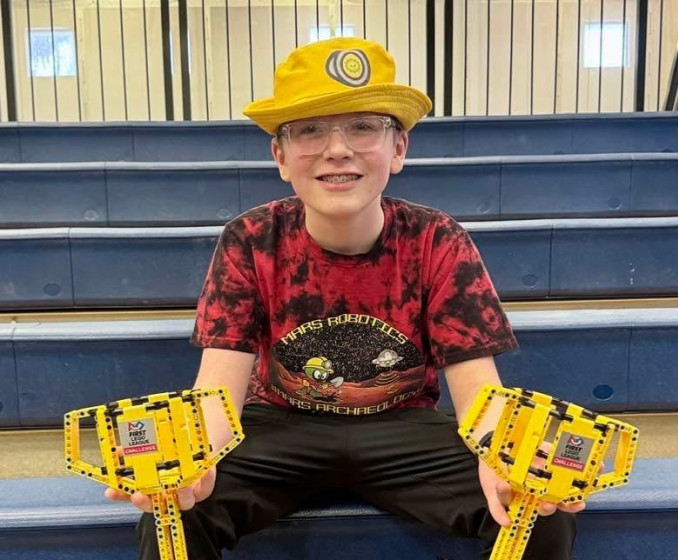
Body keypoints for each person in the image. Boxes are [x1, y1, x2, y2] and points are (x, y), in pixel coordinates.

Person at [107, 37, 581, 559]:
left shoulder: (437, 238)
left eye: (362, 126)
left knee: (535, 509)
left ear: (398, 149)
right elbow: (216, 394)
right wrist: (190, 461)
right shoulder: (250, 238)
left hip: (403, 430)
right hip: (280, 427)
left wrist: (503, 457)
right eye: (310, 129)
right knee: (175, 509)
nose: (337, 149)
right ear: (281, 156)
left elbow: (480, 394)